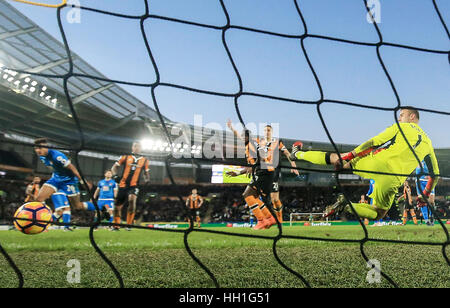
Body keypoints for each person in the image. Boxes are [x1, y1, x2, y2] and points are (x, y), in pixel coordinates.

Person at [290, 108, 440, 221]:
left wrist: (350, 155)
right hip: (393, 179)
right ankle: (347, 205)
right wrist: (425, 194)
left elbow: (374, 142)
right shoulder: (428, 143)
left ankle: (297, 154)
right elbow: (435, 175)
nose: (399, 117)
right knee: (378, 213)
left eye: (402, 115)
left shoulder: (400, 127)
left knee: (339, 159)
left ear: (412, 116)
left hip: (376, 162)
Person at [33, 138, 108, 222]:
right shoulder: (42, 156)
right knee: (39, 199)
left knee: (78, 206)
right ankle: (41, 221)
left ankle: (101, 207)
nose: (38, 150)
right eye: (36, 148)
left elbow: (72, 168)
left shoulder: (57, 156)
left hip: (69, 181)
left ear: (47, 147)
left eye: (40, 148)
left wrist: (83, 181)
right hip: (56, 179)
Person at [226, 120, 276, 230]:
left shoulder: (251, 145)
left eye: (244, 136)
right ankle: (270, 218)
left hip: (263, 172)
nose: (242, 138)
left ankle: (261, 220)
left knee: (247, 194)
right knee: (255, 197)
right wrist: (232, 129)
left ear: (248, 137)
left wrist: (251, 168)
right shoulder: (250, 143)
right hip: (265, 171)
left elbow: (259, 158)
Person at [111, 141, 150, 231]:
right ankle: (116, 225)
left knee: (132, 200)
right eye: (135, 146)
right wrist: (114, 175)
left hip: (134, 185)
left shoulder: (145, 160)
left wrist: (147, 179)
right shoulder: (125, 156)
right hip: (122, 185)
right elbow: (114, 167)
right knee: (117, 207)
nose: (137, 148)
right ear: (132, 147)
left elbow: (146, 172)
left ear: (141, 148)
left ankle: (129, 225)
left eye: (139, 146)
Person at [415, 160, 435, 226]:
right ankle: (426, 220)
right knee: (422, 201)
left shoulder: (430, 156)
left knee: (431, 201)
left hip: (429, 181)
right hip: (420, 181)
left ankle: (431, 216)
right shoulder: (418, 154)